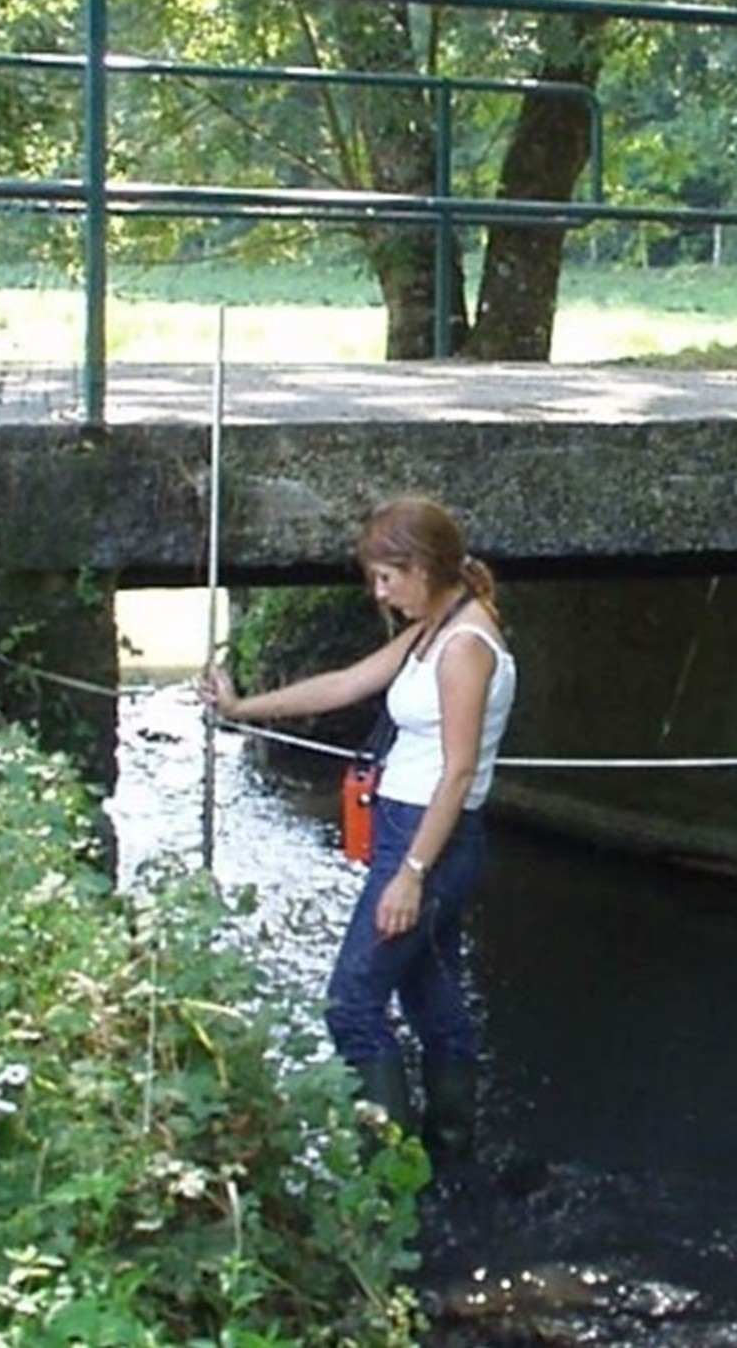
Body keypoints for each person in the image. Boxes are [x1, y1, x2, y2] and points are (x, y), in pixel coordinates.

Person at [197, 496, 516, 1163]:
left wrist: (411, 873)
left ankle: (386, 1174)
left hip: (431, 842)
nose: (379, 592)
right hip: (416, 834)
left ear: (424, 566)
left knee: (351, 1004)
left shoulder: (464, 646)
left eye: (386, 576)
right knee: (434, 1006)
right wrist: (240, 709)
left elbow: (457, 774)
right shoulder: (435, 624)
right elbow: (345, 684)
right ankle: (448, 1163)